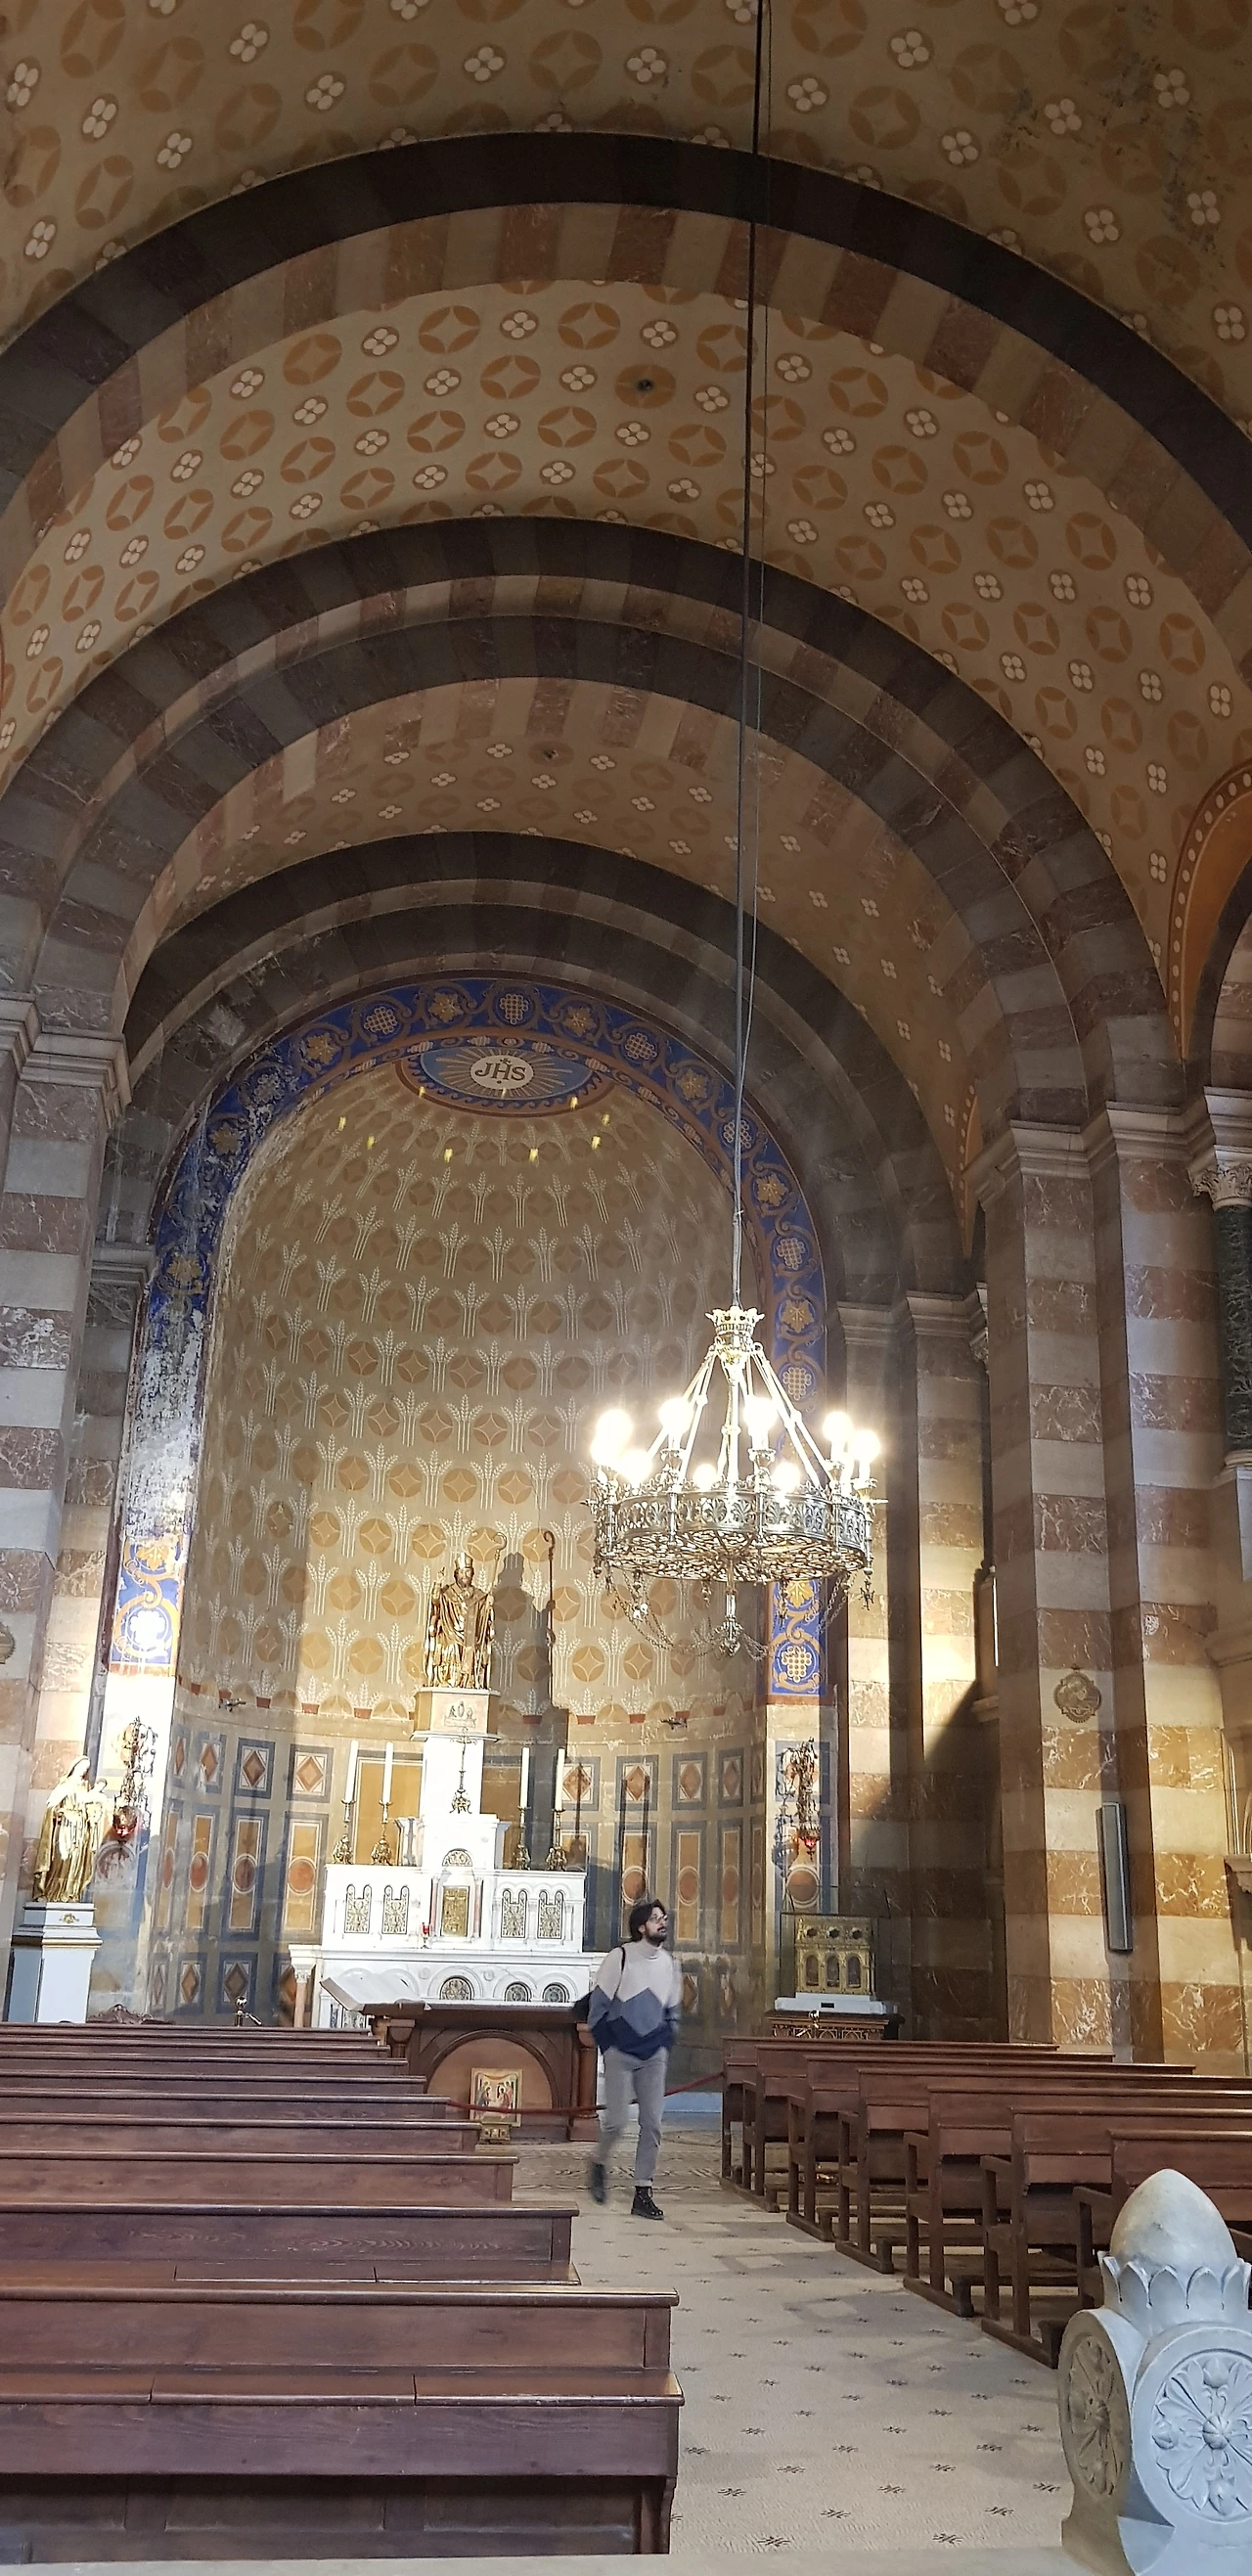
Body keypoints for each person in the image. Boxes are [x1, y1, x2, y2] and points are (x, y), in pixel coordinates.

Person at [587, 1894, 682, 2220]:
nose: (663, 1922)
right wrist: (609, 2046)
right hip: (620, 2051)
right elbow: (597, 2009)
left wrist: (665, 2043)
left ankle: (643, 2191)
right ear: (641, 1926)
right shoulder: (620, 1957)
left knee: (652, 2123)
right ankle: (598, 2161)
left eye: (664, 1918)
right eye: (656, 1918)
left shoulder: (670, 1964)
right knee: (616, 2122)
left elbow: (672, 2011)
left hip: (653, 2053)